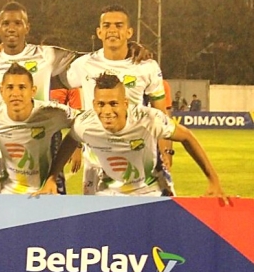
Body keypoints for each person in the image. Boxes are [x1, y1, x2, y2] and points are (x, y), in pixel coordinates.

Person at [39, 73, 228, 201]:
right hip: (110, 196)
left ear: (125, 103)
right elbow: (71, 140)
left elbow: (186, 136)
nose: (107, 111)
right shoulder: (86, 123)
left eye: (113, 103)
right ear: (94, 104)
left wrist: (213, 180)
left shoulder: (148, 119)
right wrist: (51, 178)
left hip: (152, 194)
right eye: (101, 104)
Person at [0, 2, 77, 193]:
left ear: (27, 27)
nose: (11, 28)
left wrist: (128, 48)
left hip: (41, 141)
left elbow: (90, 60)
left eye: (18, 23)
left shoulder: (46, 55)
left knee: (48, 199)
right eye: (6, 23)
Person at [63, 4, 174, 193]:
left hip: (137, 159)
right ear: (99, 32)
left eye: (119, 25)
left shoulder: (147, 66)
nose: (112, 30)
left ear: (129, 32)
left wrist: (167, 151)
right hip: (96, 163)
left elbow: (161, 113)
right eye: (107, 26)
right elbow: (47, 75)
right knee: (94, 212)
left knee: (143, 210)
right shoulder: (83, 65)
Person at [0, 63, 77, 194]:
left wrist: (53, 176)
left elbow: (82, 123)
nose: (16, 93)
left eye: (22, 87)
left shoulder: (51, 113)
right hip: (9, 193)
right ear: (2, 91)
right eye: (10, 87)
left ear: (33, 91)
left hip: (42, 192)